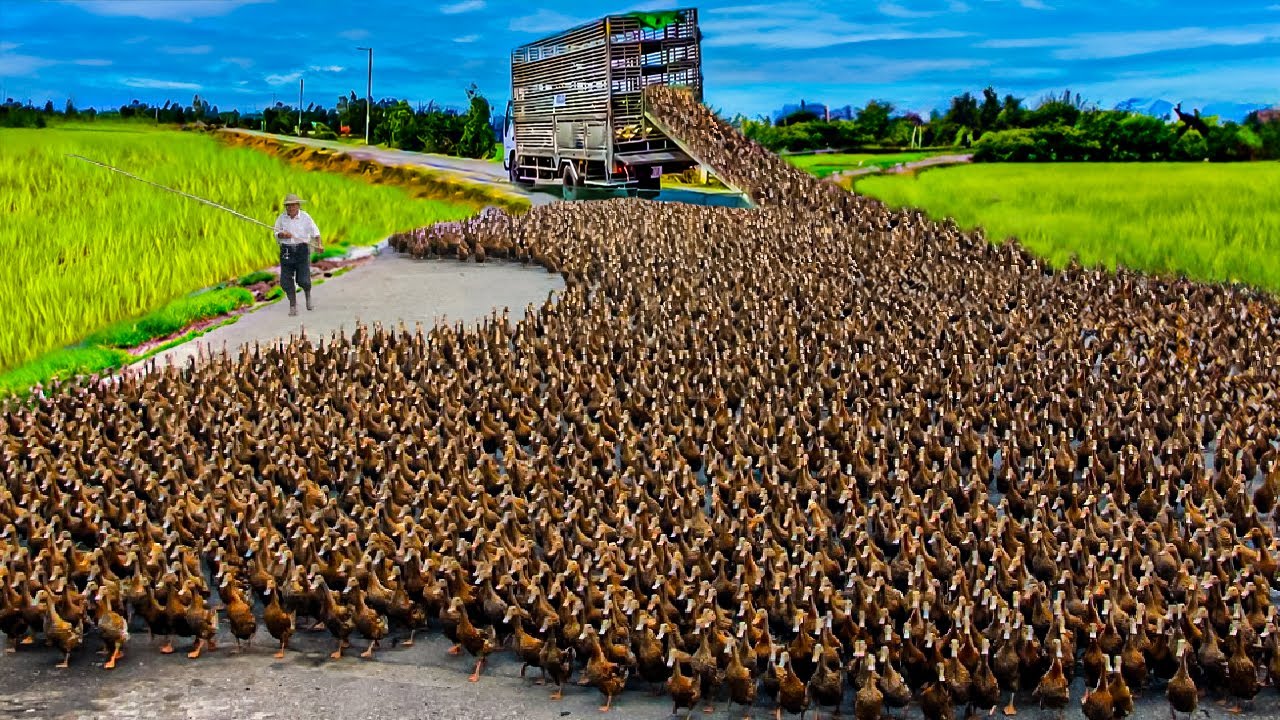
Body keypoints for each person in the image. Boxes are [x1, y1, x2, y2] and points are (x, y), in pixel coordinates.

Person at [272, 193, 322, 316]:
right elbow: (276, 233)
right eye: (288, 206)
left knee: (303, 280)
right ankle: (293, 304)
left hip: (302, 250)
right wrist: (282, 235)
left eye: (293, 205)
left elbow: (315, 232)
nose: (290, 208)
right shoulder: (281, 218)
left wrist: (319, 245)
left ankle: (308, 295)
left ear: (298, 205)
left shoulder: (305, 217)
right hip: (287, 251)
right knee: (285, 281)